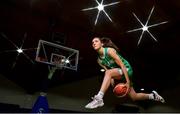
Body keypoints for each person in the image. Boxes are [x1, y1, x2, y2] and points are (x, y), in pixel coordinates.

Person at [85, 37, 165, 109]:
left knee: (109, 73)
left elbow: (122, 66)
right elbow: (107, 71)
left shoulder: (109, 51)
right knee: (134, 97)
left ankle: (99, 98)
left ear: (102, 43)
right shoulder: (99, 61)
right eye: (92, 42)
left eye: (96, 41)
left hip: (126, 69)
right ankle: (152, 96)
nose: (94, 43)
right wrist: (111, 79)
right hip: (118, 73)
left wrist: (128, 81)